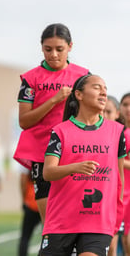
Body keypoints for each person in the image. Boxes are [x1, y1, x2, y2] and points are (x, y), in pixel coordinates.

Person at [39, 74, 126, 256]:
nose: (103, 92)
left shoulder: (117, 132)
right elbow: (48, 172)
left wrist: (116, 216)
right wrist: (74, 167)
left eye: (105, 88)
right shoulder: (60, 131)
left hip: (98, 222)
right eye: (96, 87)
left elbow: (119, 180)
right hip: (61, 221)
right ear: (79, 95)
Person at [13, 23, 90, 223]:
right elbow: (24, 121)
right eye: (48, 49)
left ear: (70, 46)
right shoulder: (30, 79)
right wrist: (54, 100)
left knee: (80, 217)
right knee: (51, 222)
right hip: (42, 154)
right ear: (41, 48)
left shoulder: (83, 76)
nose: (53, 54)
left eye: (59, 49)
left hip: (76, 152)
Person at [104, 95, 126, 256]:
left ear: (117, 113)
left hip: (121, 199)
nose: (104, 115)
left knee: (116, 246)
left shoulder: (122, 136)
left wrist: (117, 159)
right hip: (102, 199)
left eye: (108, 112)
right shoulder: (93, 136)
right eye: (102, 111)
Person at [118, 93, 130, 256]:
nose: (128, 109)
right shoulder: (117, 132)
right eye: (125, 104)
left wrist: (117, 160)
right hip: (120, 194)